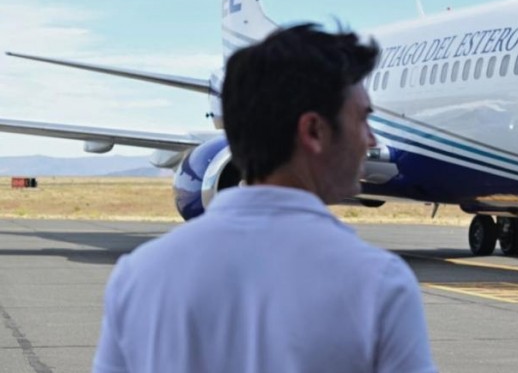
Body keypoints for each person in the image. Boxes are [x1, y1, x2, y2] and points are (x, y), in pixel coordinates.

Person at [92, 24, 437, 373]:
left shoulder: (138, 276)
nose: (371, 140)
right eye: (362, 120)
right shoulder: (378, 285)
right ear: (314, 131)